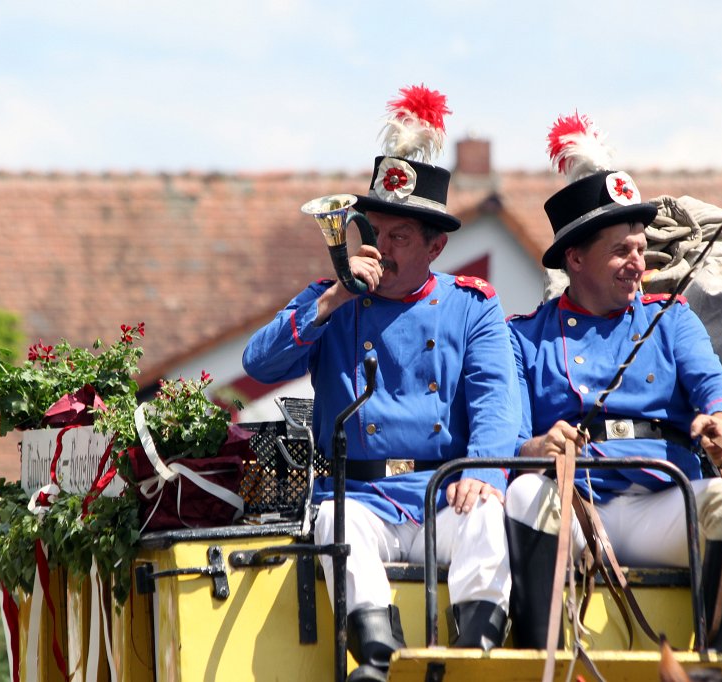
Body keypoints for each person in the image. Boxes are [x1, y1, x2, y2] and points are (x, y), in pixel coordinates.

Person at [243, 85, 518, 681]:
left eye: (399, 239)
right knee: (338, 524)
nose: (381, 251)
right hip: (360, 498)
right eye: (374, 235)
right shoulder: (331, 299)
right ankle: (376, 659)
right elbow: (258, 365)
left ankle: (473, 662)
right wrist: (337, 297)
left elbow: (499, 400)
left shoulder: (472, 308)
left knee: (488, 517)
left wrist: (485, 471)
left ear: (435, 246)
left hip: (441, 493)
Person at [503, 112, 722, 653]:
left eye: (641, 250)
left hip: (660, 501)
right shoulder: (524, 337)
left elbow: (714, 380)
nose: (637, 264)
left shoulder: (670, 319)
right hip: (573, 508)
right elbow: (501, 430)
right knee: (527, 493)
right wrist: (534, 447)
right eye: (621, 251)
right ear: (575, 258)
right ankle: (537, 658)